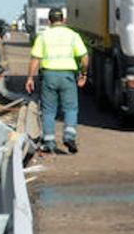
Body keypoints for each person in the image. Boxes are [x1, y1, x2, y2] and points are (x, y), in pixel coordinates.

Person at [25, 8, 89, 154]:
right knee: (71, 108)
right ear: (64, 20)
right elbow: (85, 58)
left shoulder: (43, 36)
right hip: (67, 76)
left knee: (48, 110)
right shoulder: (73, 35)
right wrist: (83, 74)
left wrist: (30, 78)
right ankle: (69, 136)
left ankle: (49, 142)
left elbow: (35, 59)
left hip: (49, 76)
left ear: (49, 21)